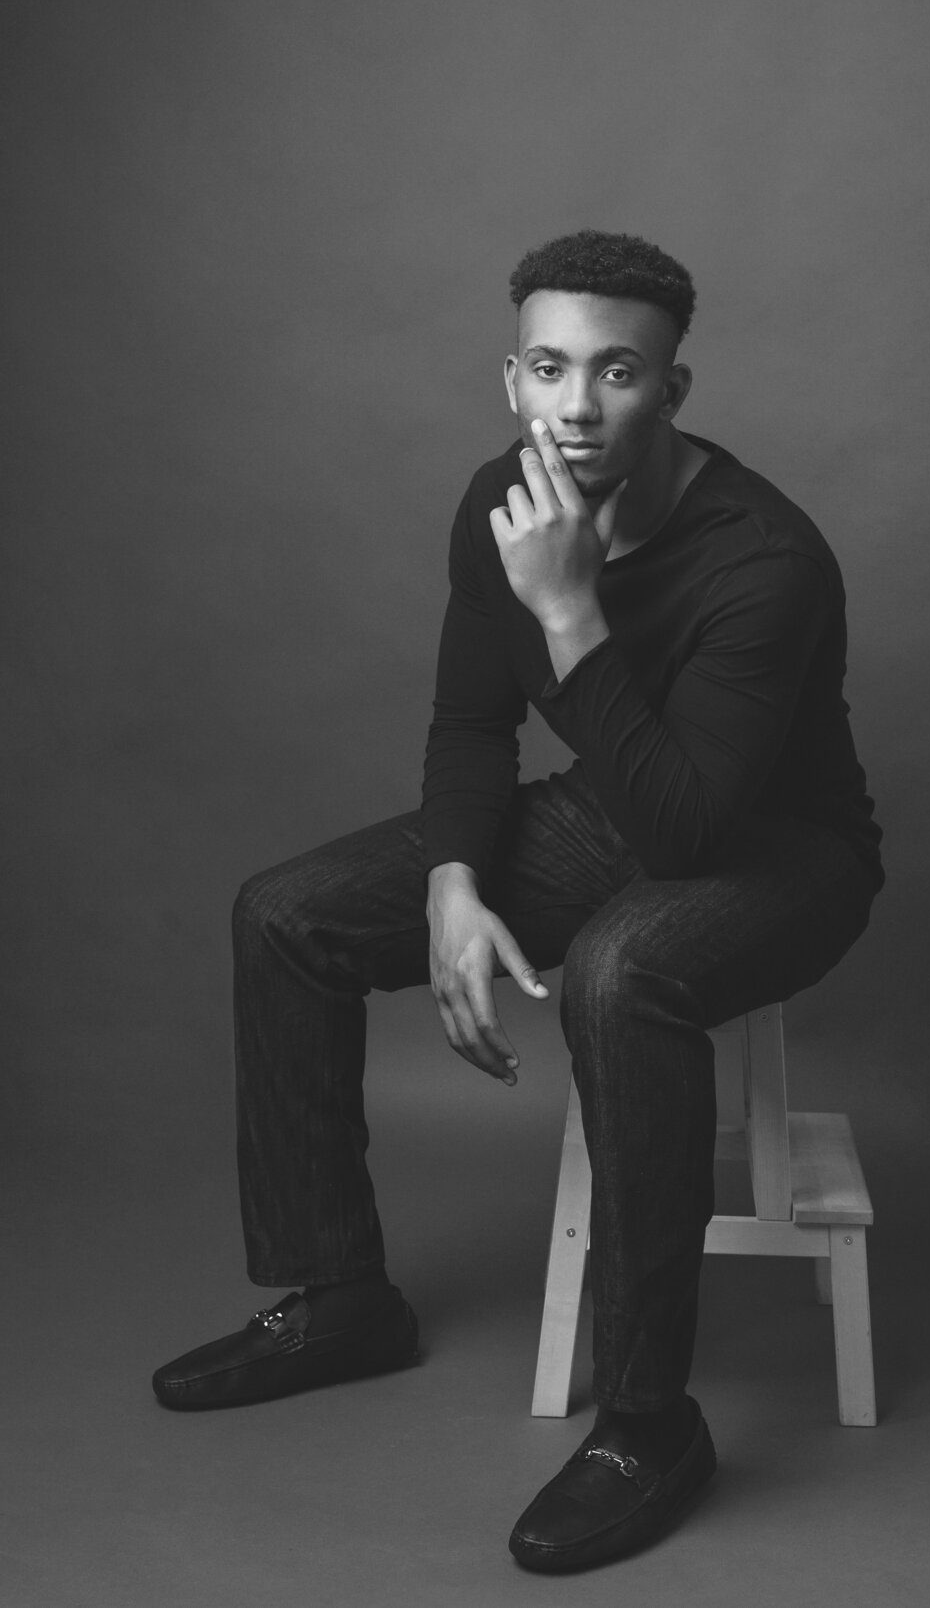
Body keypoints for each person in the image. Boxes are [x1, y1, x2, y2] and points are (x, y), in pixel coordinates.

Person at [152, 229, 884, 1572]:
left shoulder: (764, 560)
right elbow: (470, 723)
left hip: (783, 853)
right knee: (284, 913)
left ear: (674, 386)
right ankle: (341, 1295)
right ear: (511, 377)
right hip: (618, 805)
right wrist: (448, 882)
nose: (577, 403)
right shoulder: (501, 493)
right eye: (550, 366)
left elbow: (686, 830)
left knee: (622, 971)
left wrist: (569, 608)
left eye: (617, 370)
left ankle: (649, 1421)